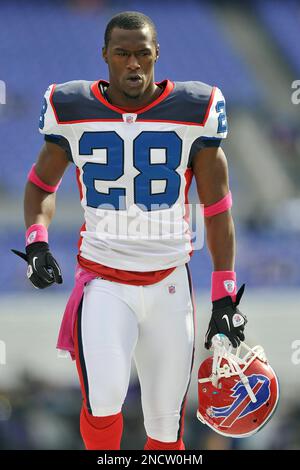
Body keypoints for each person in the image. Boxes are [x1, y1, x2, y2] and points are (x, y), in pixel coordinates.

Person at [13, 11, 247, 450]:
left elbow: (217, 209)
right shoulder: (71, 106)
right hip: (104, 281)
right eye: (122, 54)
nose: (134, 64)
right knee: (103, 403)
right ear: (105, 56)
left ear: (157, 53)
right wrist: (37, 240)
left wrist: (224, 292)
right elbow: (41, 185)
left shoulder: (195, 109)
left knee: (164, 426)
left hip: (170, 285)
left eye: (142, 53)